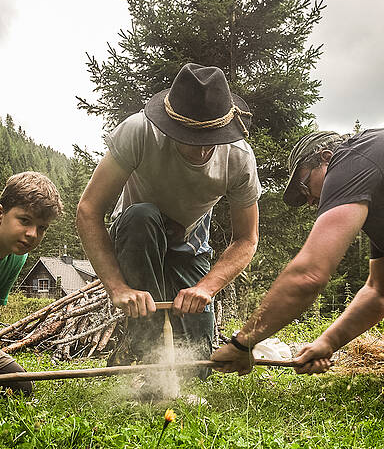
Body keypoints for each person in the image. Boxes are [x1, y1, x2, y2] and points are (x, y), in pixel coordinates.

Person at [211, 127, 384, 402]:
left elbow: (309, 275)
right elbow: (383, 290)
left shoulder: (351, 159)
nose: (309, 201)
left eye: (305, 186)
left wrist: (242, 343)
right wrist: (327, 342)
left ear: (326, 158)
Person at [77, 63, 261, 377]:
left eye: (212, 137)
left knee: (197, 369)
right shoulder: (138, 131)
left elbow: (247, 239)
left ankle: (169, 355)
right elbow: (89, 210)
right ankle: (145, 356)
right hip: (137, 235)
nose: (204, 149)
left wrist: (206, 287)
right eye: (192, 137)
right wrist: (118, 287)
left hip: (190, 246)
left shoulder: (239, 157)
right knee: (142, 216)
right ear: (169, 126)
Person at [0, 171, 63, 398]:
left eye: (42, 228)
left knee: (18, 385)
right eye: (24, 221)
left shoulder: (16, 257)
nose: (32, 234)